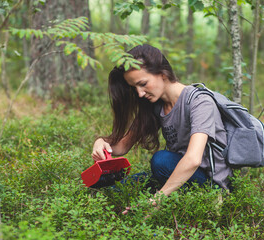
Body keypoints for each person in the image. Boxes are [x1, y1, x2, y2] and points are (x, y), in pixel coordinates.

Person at [92, 44, 232, 199]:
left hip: (209, 183)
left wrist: (157, 199)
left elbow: (193, 160)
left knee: (161, 160)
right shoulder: (156, 106)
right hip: (177, 172)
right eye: (134, 88)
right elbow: (123, 146)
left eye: (143, 84)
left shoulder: (199, 102)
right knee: (112, 190)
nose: (139, 93)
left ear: (163, 74)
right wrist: (101, 142)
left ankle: (177, 198)